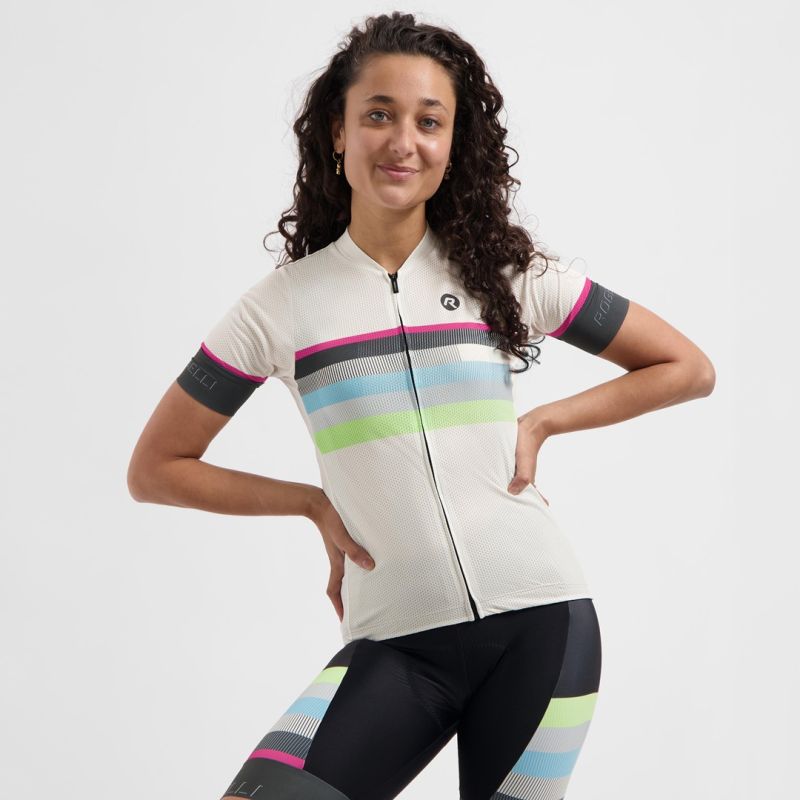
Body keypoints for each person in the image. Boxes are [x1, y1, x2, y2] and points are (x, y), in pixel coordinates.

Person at [127, 12, 715, 800]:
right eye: (379, 114)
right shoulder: (280, 308)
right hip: (394, 643)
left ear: (453, 144)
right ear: (337, 132)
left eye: (429, 121)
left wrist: (544, 421)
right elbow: (156, 468)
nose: (403, 141)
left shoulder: (507, 275)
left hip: (542, 626)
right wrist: (309, 502)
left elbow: (687, 367)